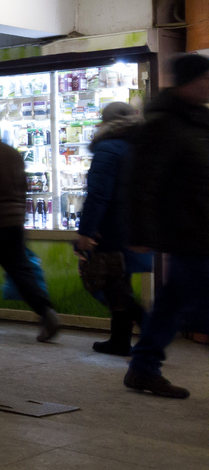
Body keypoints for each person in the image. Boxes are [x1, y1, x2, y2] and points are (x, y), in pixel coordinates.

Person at [124, 53, 209, 398]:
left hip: (200, 226)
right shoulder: (162, 124)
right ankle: (143, 367)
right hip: (186, 228)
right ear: (188, 81)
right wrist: (140, 232)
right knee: (194, 301)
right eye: (205, 78)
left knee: (174, 301)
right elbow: (142, 183)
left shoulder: (199, 121)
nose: (208, 85)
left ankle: (143, 367)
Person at [0, 110, 62, 341]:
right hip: (13, 223)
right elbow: (23, 187)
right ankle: (46, 311)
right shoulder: (12, 153)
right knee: (20, 270)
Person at [75, 102, 149, 356]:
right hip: (134, 226)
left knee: (112, 284)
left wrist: (86, 230)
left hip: (111, 227)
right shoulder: (141, 146)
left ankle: (151, 327)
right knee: (120, 282)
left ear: (106, 123)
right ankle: (119, 340)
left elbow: (98, 194)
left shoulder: (108, 149)